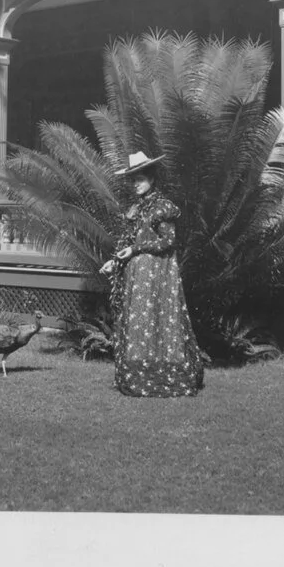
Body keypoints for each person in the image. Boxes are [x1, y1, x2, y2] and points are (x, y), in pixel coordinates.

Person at [100, 151, 204, 397]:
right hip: (136, 277)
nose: (135, 184)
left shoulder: (161, 207)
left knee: (157, 322)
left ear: (152, 180)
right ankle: (137, 377)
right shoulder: (137, 209)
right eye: (133, 179)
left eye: (140, 179)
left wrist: (136, 249)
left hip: (157, 275)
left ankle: (166, 376)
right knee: (139, 324)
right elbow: (128, 242)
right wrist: (114, 262)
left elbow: (168, 241)